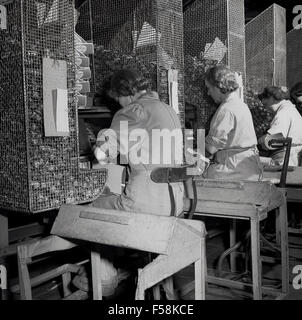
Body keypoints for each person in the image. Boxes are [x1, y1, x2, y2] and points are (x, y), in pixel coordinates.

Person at [73, 69, 184, 297]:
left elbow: (103, 155)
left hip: (147, 204)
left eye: (118, 98)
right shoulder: (167, 109)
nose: (118, 104)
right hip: (176, 201)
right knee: (114, 201)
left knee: (90, 209)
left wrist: (101, 138)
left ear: (126, 92)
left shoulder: (133, 110)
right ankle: (121, 265)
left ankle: (104, 277)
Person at [204, 65, 263, 180]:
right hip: (249, 167)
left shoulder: (226, 109)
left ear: (218, 86)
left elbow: (211, 149)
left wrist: (191, 154)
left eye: (209, 88)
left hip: (233, 169)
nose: (208, 93)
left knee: (195, 183)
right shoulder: (241, 105)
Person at [258, 86, 302, 166]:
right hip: (291, 156)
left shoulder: (283, 113)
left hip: (285, 158)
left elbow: (272, 141)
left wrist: (260, 141)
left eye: (265, 104)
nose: (265, 108)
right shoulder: (290, 109)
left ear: (272, 98)